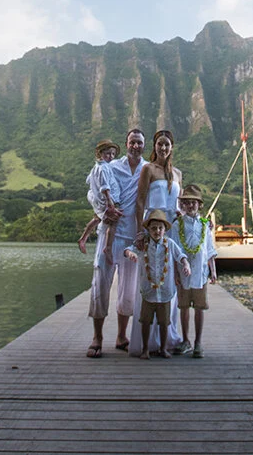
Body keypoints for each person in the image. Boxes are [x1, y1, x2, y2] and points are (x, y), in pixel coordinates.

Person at [86, 128, 146, 358]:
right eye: (132, 142)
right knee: (100, 284)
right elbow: (92, 192)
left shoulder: (147, 169)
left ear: (143, 145)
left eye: (139, 142)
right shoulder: (110, 166)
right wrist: (103, 213)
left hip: (133, 237)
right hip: (109, 233)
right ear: (126, 143)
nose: (135, 146)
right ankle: (97, 338)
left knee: (128, 290)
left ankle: (121, 336)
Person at [129, 129, 183, 355]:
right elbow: (140, 202)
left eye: (167, 144)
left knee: (170, 279)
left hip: (171, 230)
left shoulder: (177, 173)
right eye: (160, 144)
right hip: (152, 229)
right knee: (150, 277)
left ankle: (168, 338)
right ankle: (147, 342)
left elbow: (180, 204)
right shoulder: (147, 169)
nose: (163, 148)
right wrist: (140, 232)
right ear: (154, 146)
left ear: (172, 147)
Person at [123, 209, 191, 359]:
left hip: (165, 291)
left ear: (165, 229)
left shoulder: (170, 244)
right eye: (153, 228)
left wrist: (186, 264)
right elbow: (128, 249)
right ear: (148, 229)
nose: (157, 231)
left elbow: (181, 255)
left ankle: (163, 348)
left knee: (164, 322)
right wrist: (131, 254)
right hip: (148, 292)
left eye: (160, 228)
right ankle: (145, 349)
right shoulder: (143, 245)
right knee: (146, 321)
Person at [171, 183, 217, 358]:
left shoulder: (205, 225)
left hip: (200, 273)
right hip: (183, 274)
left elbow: (209, 249)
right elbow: (175, 250)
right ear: (182, 204)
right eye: (187, 202)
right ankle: (185, 340)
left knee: (199, 307)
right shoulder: (177, 225)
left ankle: (198, 341)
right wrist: (175, 273)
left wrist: (213, 271)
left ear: (200, 205)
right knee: (183, 307)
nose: (191, 205)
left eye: (194, 202)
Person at [78, 140, 120, 254]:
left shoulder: (96, 167)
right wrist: (109, 202)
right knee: (113, 222)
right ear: (100, 153)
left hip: (99, 200)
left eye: (112, 154)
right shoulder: (104, 168)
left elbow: (88, 180)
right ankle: (108, 247)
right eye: (107, 153)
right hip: (110, 200)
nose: (110, 156)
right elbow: (105, 187)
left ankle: (83, 238)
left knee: (97, 218)